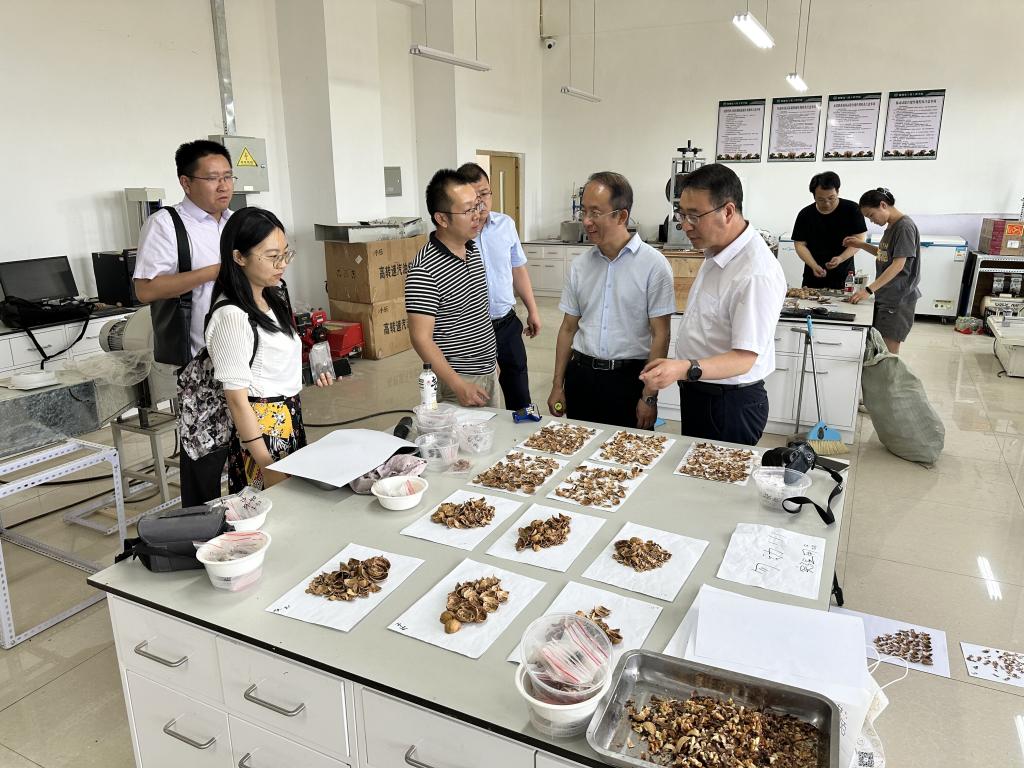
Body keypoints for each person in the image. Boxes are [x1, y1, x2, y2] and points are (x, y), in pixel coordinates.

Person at [641, 163, 786, 446]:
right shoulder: (717, 251)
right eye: (682, 215)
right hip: (702, 391)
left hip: (728, 404)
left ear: (728, 211)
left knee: (716, 473)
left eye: (695, 216)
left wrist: (683, 368)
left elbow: (744, 359)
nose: (685, 225)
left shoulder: (755, 272)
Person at [133, 139, 235, 506]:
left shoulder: (235, 222)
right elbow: (146, 289)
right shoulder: (166, 224)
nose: (223, 186)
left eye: (228, 177)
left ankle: (246, 518)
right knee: (204, 453)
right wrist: (214, 272)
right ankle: (201, 526)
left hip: (242, 350)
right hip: (200, 360)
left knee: (246, 444)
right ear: (186, 182)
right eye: (212, 178)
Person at [205, 207, 334, 492]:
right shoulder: (231, 317)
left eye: (286, 254)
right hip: (261, 432)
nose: (282, 264)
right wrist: (265, 464)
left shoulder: (270, 297)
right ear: (239, 257)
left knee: (297, 501)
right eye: (273, 256)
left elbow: (267, 366)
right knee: (271, 505)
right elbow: (237, 401)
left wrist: (308, 375)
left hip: (288, 417)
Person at [547, 172, 674, 429]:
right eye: (584, 211)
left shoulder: (654, 265)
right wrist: (557, 385)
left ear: (621, 216)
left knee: (629, 452)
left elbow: (661, 335)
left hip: (629, 380)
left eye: (595, 212)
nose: (586, 221)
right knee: (579, 448)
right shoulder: (580, 266)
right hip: (582, 376)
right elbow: (568, 328)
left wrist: (649, 396)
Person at [406, 169, 498, 407]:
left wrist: (492, 361)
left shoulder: (471, 249)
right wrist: (458, 385)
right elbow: (420, 338)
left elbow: (477, 312)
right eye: (468, 210)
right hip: (457, 381)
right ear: (442, 219)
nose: (477, 215)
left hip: (486, 372)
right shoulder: (424, 269)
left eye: (477, 206)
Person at [457, 162, 541, 411]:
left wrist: (533, 310)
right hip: (471, 329)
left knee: (520, 396)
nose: (481, 203)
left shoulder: (506, 225)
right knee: (480, 400)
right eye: (474, 198)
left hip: (506, 322)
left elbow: (518, 269)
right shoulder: (455, 235)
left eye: (485, 194)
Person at [845, 188, 921, 354]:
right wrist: (861, 244)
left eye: (871, 215)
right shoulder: (892, 226)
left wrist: (868, 290)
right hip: (887, 296)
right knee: (879, 349)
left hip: (897, 299)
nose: (872, 221)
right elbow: (884, 255)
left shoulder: (904, 227)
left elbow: (898, 265)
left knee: (887, 355)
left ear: (883, 205)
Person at [791, 171, 867, 289]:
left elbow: (859, 240)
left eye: (831, 198)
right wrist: (814, 265)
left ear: (838, 191)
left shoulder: (852, 209)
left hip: (844, 275)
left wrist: (840, 258)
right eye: (821, 199)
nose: (827, 203)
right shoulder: (805, 214)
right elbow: (800, 245)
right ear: (814, 196)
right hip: (813, 275)